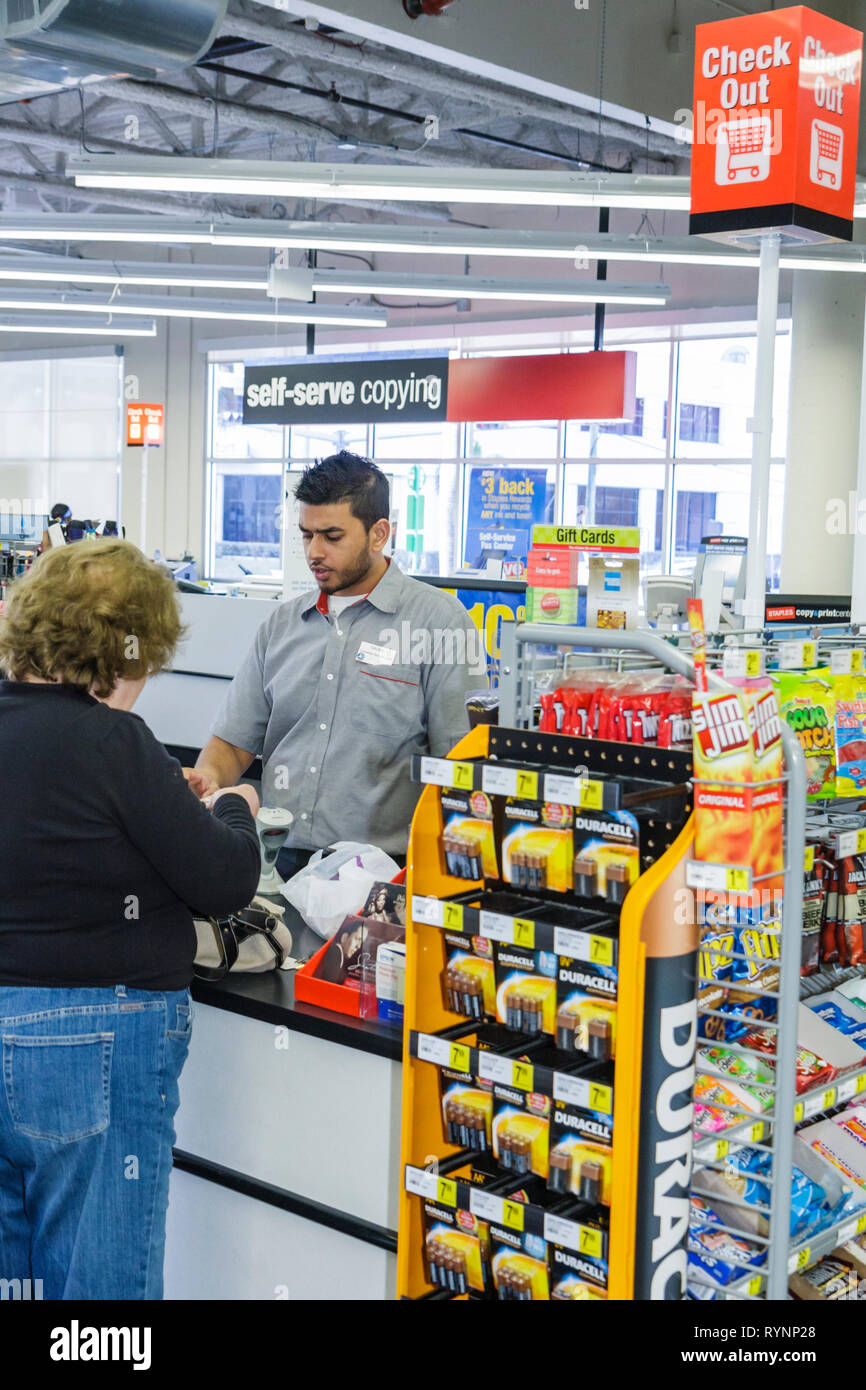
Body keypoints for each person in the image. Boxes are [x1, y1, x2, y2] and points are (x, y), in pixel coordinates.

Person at [0, 539, 261, 1300]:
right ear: (123, 652)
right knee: (98, 1293)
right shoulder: (115, 741)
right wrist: (234, 811)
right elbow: (222, 881)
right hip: (96, 1036)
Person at [194, 451, 487, 877]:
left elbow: (461, 767)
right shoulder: (281, 624)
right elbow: (233, 743)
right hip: (275, 861)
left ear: (379, 533)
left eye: (332, 536)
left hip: (382, 875)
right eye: (306, 535)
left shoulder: (443, 624)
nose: (314, 551)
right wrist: (208, 781)